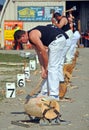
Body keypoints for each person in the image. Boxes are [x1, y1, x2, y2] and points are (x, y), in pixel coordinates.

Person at [13, 25, 69, 101]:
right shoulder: (31, 39)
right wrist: (43, 69)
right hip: (58, 40)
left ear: (23, 36)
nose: (23, 43)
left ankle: (54, 95)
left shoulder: (32, 35)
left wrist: (46, 67)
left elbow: (43, 51)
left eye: (21, 41)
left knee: (52, 68)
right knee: (49, 68)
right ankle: (44, 92)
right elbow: (39, 55)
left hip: (57, 41)